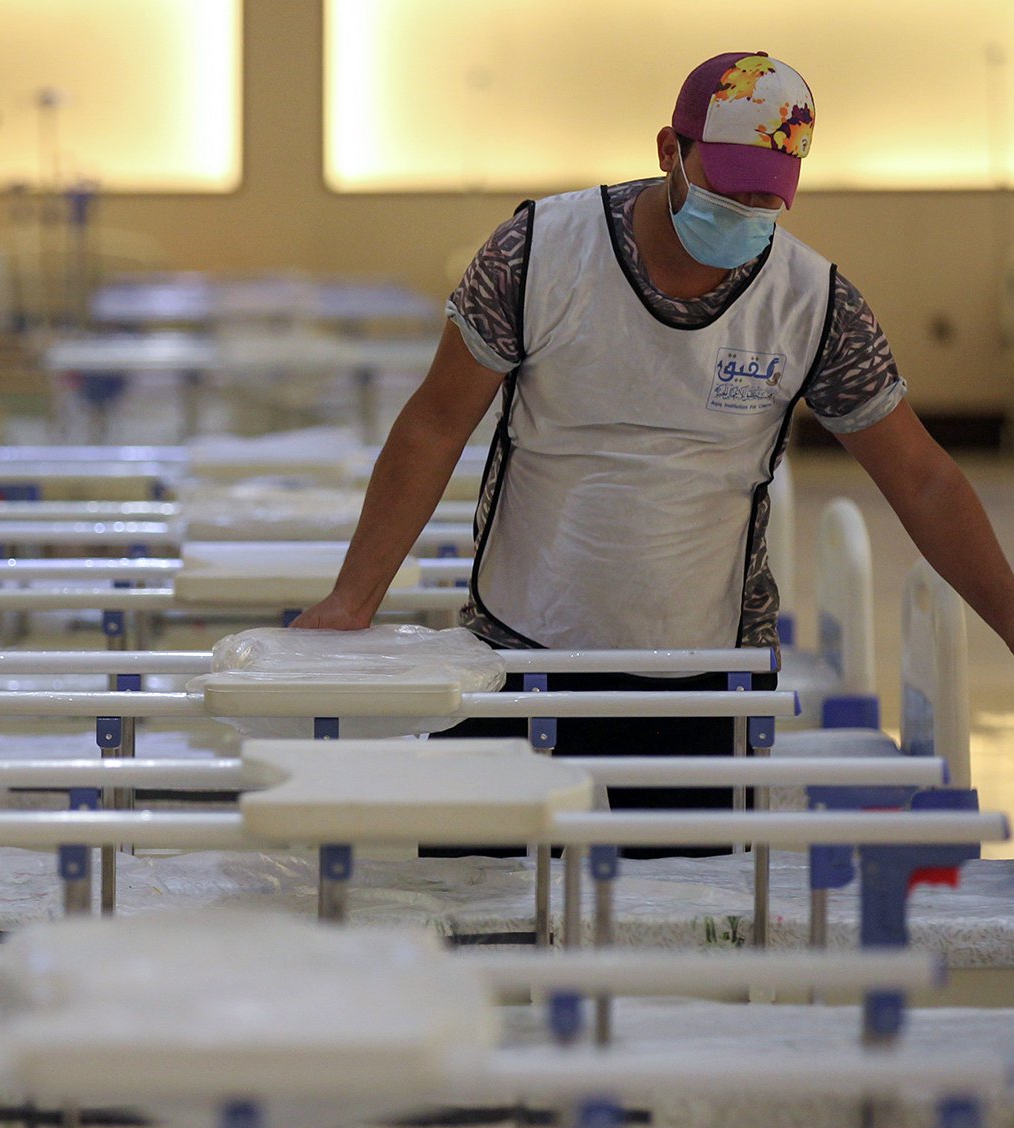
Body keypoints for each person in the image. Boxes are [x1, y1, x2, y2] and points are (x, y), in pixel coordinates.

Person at [292, 51, 1014, 845]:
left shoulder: (812, 303)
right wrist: (351, 599)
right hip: (515, 653)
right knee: (478, 910)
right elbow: (433, 424)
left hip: (700, 679)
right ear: (670, 149)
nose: (743, 210)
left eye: (765, 197)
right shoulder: (538, 253)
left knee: (685, 931)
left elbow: (923, 483)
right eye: (726, 186)